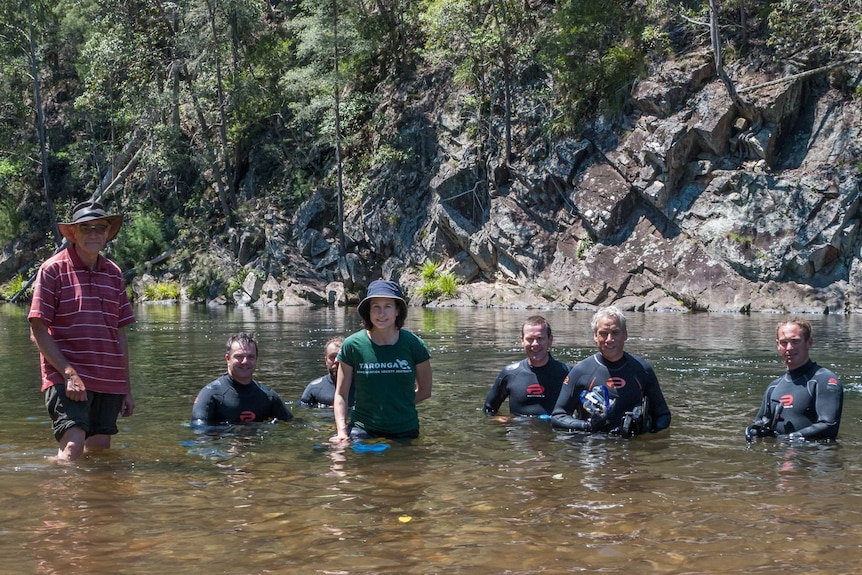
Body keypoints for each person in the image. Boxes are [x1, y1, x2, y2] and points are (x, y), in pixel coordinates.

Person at [28, 200, 135, 461]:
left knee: (98, 454)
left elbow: (119, 334)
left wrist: (126, 387)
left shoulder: (114, 273)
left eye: (100, 228)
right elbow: (37, 329)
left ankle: (92, 502)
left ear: (108, 234)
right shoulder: (53, 269)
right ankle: (56, 497)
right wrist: (68, 373)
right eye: (86, 228)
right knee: (73, 450)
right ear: (73, 233)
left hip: (108, 379)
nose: (94, 233)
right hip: (67, 377)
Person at [331, 279, 432, 442]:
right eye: (376, 307)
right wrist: (342, 432)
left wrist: (397, 404)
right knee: (340, 461)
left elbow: (425, 391)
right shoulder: (353, 345)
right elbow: (341, 394)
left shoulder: (414, 344)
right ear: (368, 312)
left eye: (387, 307)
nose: (381, 313)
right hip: (363, 428)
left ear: (397, 311)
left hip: (404, 427)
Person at [551, 306, 671, 436]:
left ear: (625, 335)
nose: (609, 339)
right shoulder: (581, 371)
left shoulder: (642, 370)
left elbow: (663, 416)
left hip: (631, 449)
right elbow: (558, 417)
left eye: (615, 333)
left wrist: (645, 428)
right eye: (603, 333)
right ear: (595, 336)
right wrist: (587, 426)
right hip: (594, 448)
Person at [746, 317, 843, 442]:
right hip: (781, 456)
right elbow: (759, 423)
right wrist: (753, 431)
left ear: (809, 342)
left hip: (812, 457)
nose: (789, 348)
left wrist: (789, 439)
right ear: (777, 345)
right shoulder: (774, 387)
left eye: (795, 341)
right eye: (784, 343)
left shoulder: (825, 380)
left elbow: (829, 426)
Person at [191, 332, 293, 426]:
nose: (245, 361)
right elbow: (200, 434)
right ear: (228, 359)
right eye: (239, 356)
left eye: (251, 357)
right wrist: (237, 433)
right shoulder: (210, 395)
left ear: (256, 359)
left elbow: (292, 425)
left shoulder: (268, 396)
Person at [484, 315, 569, 417]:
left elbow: (584, 414)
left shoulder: (567, 374)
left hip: (554, 431)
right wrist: (503, 421)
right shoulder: (509, 374)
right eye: (530, 339)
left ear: (550, 340)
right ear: (522, 341)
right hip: (520, 431)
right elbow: (489, 410)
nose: (535, 344)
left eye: (540, 338)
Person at [300, 337, 354, 408]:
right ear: (326, 360)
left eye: (341, 356)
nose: (336, 361)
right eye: (332, 357)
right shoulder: (314, 389)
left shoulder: (364, 387)